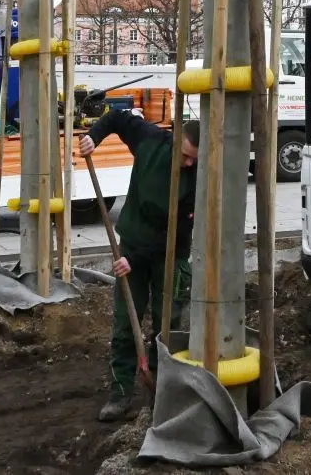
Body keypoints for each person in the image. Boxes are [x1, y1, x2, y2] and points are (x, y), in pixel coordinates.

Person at [78, 109, 200, 423]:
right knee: (123, 324)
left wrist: (133, 260)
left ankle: (163, 392)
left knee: (167, 326)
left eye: (194, 160)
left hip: (168, 255)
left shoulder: (196, 179)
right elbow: (117, 118)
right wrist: (94, 136)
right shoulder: (149, 140)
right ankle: (120, 393)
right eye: (185, 156)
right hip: (130, 247)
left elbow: (173, 237)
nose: (188, 163)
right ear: (175, 141)